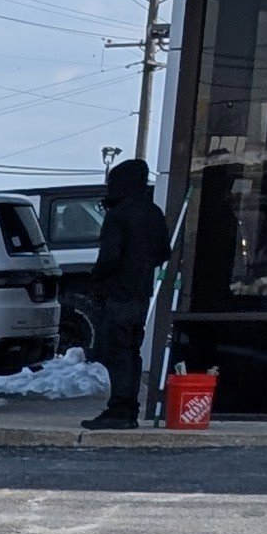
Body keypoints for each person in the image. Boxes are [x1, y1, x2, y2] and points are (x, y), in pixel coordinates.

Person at [85, 156, 171, 428]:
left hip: (118, 294)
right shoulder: (153, 212)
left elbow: (110, 257)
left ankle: (119, 410)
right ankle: (128, 408)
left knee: (116, 352)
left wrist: (95, 279)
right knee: (132, 351)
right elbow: (163, 252)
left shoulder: (118, 215)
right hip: (141, 293)